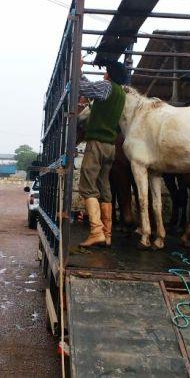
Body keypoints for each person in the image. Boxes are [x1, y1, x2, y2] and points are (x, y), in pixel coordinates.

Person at [77, 61, 128, 248]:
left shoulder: (105, 87)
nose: (104, 74)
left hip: (96, 144)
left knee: (87, 186)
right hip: (110, 146)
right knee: (104, 187)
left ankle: (96, 231)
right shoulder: (120, 93)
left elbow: (81, 87)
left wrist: (75, 69)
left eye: (106, 71)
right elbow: (90, 86)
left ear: (110, 75)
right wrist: (81, 71)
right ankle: (107, 234)